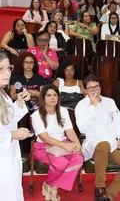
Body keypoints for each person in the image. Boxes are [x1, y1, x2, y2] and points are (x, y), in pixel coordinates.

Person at [75, 75, 120, 200]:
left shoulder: (110, 102)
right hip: (93, 146)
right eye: (91, 88)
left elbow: (117, 122)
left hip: (111, 146)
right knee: (103, 144)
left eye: (96, 87)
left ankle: (109, 195)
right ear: (85, 90)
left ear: (100, 87)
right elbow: (82, 128)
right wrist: (92, 107)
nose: (94, 90)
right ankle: (100, 187)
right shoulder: (81, 106)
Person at [31, 84, 84, 200]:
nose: (53, 98)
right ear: (43, 98)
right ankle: (49, 184)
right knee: (61, 163)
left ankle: (53, 187)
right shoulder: (36, 115)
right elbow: (45, 138)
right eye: (49, 95)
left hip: (63, 143)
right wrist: (65, 146)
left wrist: (77, 144)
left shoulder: (63, 111)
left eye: (55, 95)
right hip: (43, 147)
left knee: (79, 159)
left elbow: (70, 131)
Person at [0, 51, 33, 201]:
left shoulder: (3, 93)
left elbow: (8, 120)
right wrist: (12, 135)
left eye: (8, 68)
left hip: (9, 154)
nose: (7, 73)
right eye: (1, 69)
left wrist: (19, 103)